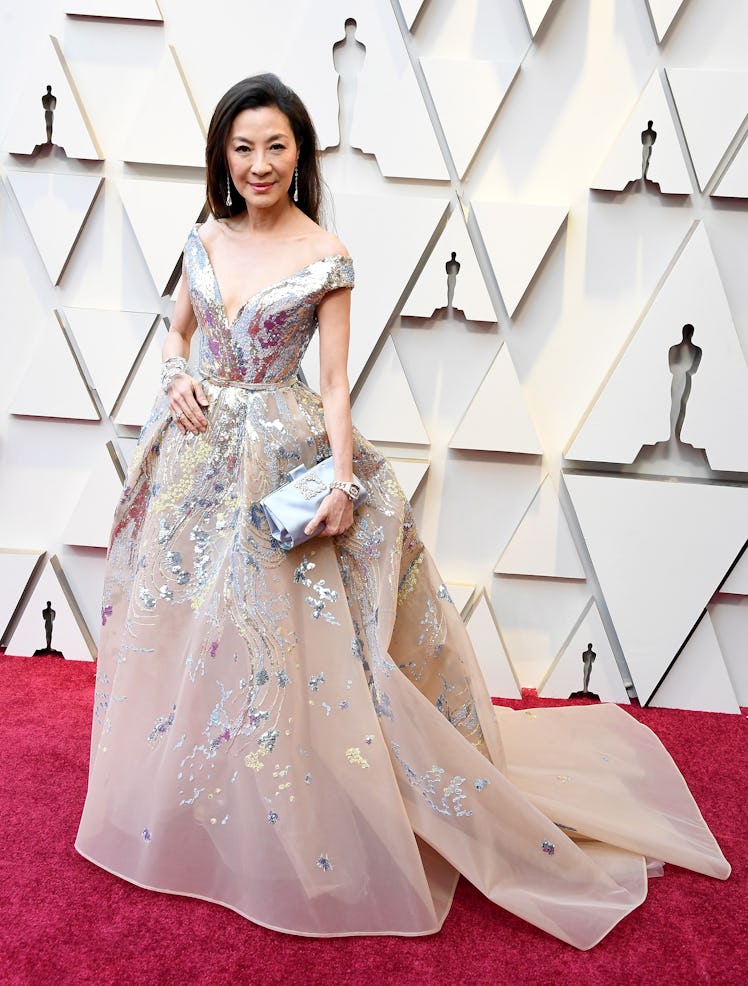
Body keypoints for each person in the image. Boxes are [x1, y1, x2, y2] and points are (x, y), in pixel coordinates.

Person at [76, 74, 729, 949]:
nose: (259, 163)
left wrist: (342, 485)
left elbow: (338, 383)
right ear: (222, 157)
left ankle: (296, 807)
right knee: (196, 624)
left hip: (281, 455)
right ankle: (202, 792)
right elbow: (178, 331)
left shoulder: (326, 253)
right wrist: (176, 376)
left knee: (287, 638)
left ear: (299, 152)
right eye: (242, 147)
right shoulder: (202, 235)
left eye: (275, 146)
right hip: (195, 460)